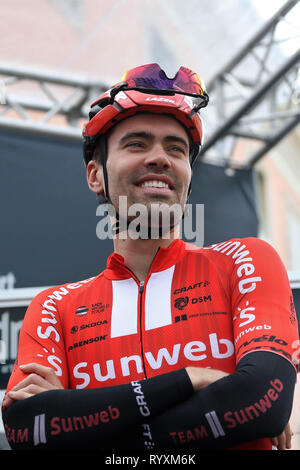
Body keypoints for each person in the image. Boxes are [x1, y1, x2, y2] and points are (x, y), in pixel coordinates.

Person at [1, 64, 299, 451]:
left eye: (175, 148)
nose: (160, 158)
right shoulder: (54, 308)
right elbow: (29, 431)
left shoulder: (245, 262)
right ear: (95, 176)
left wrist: (82, 422)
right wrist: (193, 379)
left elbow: (262, 401)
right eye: (137, 143)